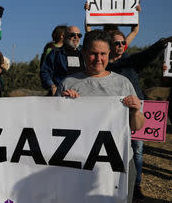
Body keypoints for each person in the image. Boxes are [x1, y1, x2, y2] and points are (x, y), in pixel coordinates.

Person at [58, 30, 145, 203]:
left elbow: (137, 126)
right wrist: (64, 106)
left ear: (109, 54)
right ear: (84, 53)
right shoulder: (68, 83)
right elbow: (54, 125)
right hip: (79, 163)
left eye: (103, 54)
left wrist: (135, 111)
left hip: (119, 163)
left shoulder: (123, 83)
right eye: (93, 53)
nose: (98, 59)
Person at [107, 31, 172, 200]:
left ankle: (136, 185)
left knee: (137, 150)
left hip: (134, 113)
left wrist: (163, 41)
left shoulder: (131, 61)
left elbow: (149, 53)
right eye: (116, 43)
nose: (121, 46)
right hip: (112, 115)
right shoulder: (103, 64)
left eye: (123, 43)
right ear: (110, 45)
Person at [40, 26, 85, 95]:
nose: (76, 37)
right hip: (62, 95)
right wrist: (52, 86)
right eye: (73, 35)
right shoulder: (55, 53)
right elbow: (45, 72)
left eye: (79, 35)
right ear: (65, 36)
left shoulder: (85, 53)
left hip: (81, 94)